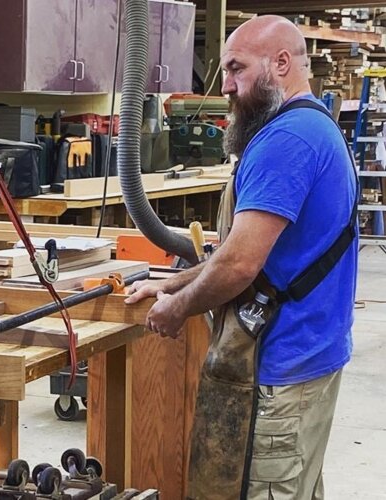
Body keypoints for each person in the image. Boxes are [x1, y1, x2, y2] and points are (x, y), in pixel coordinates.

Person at [125, 15, 358, 499]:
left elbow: (239, 266)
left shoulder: (286, 142)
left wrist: (177, 308)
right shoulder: (314, 127)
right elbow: (239, 251)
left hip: (277, 371)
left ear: (281, 63)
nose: (227, 85)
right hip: (307, 360)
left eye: (237, 68)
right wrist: (170, 283)